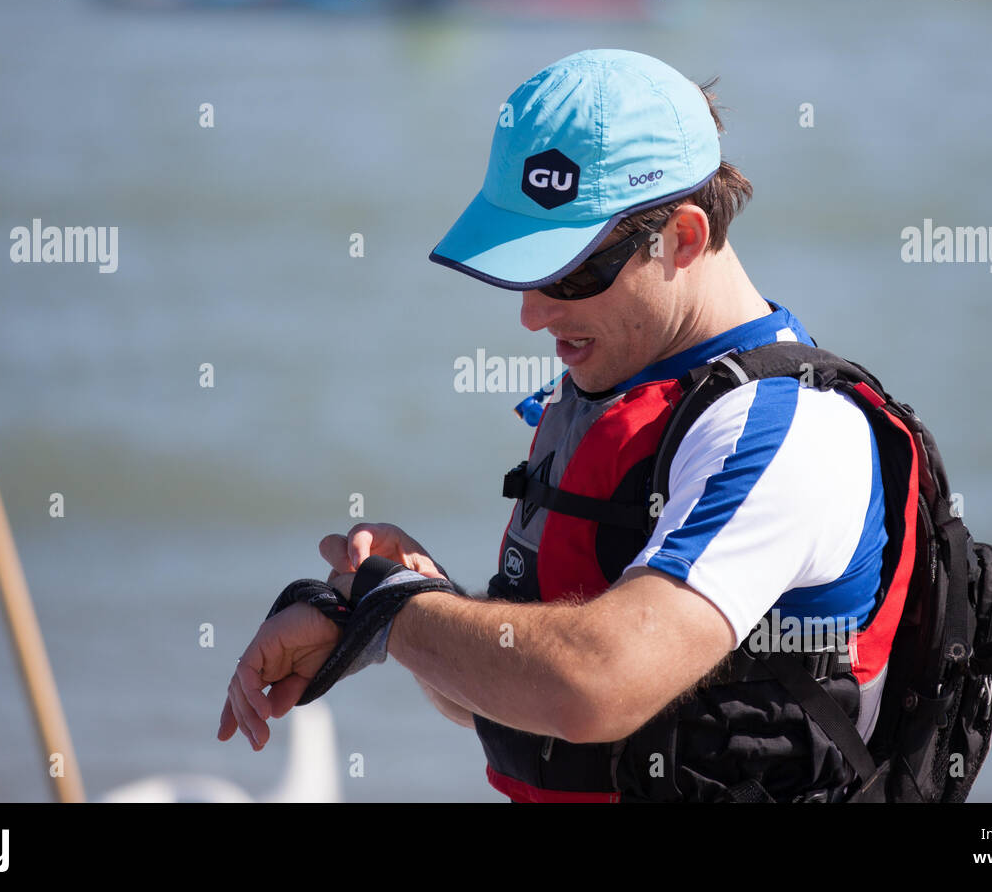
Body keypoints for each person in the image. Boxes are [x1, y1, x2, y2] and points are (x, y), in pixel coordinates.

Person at [218, 48, 891, 803]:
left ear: (685, 238)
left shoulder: (786, 435)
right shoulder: (607, 398)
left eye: (569, 274)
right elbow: (507, 704)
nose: (533, 314)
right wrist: (401, 605)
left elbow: (592, 687)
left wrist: (395, 609)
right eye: (526, 272)